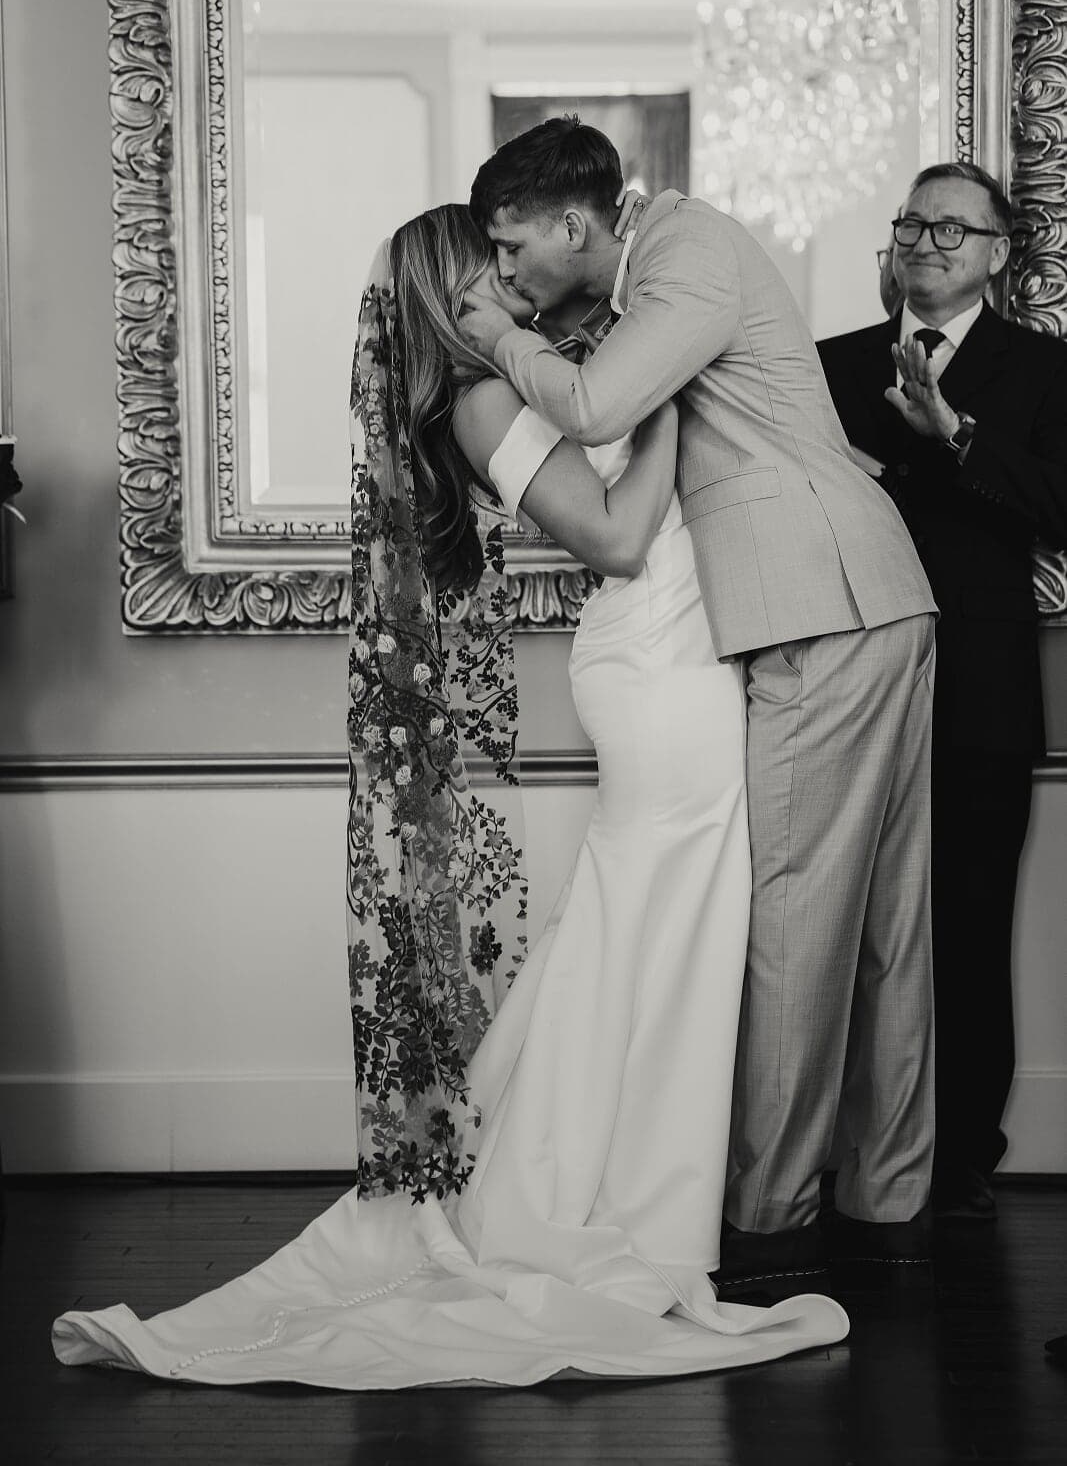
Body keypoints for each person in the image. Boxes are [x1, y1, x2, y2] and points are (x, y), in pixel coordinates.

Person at [51, 207, 846, 1387]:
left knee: (642, 937)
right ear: (449, 286)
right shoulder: (479, 401)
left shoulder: (522, 378)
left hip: (674, 664)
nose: (512, 281)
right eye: (490, 266)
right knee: (660, 933)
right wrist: (678, 391)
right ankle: (612, 1209)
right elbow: (621, 539)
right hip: (654, 675)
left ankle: (616, 1183)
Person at [459, 116, 939, 1288]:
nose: (507, 272)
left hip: (813, 604)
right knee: (880, 921)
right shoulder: (650, 270)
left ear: (576, 223)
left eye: (513, 245)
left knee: (791, 916)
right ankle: (885, 1198)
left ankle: (772, 1217)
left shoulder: (683, 252)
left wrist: (487, 336)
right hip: (861, 591)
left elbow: (596, 409)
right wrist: (535, 324)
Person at [818, 161, 1067, 1221]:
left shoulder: (1044, 370)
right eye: (910, 222)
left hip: (981, 686)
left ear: (995, 254)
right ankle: (834, 1144)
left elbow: (1058, 503)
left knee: (966, 926)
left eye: (950, 229)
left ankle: (959, 1149)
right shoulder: (824, 365)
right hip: (840, 683)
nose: (924, 241)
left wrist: (953, 438)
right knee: (840, 927)